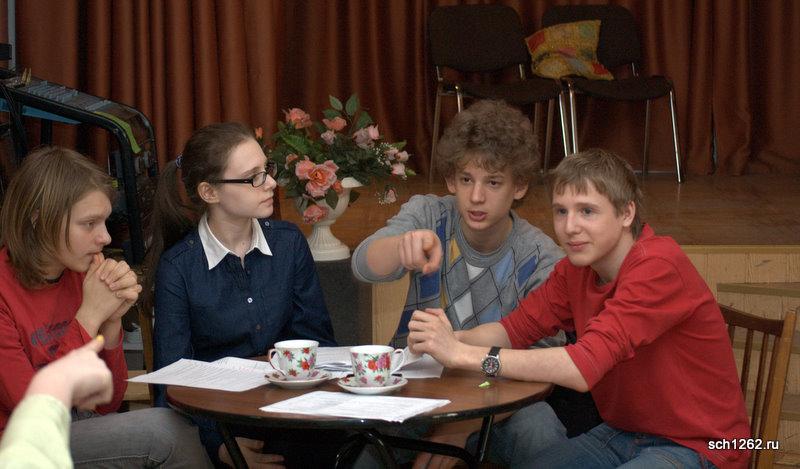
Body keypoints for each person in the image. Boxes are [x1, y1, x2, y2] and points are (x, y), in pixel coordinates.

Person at [408, 149, 751, 468]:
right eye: (561, 211)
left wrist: (463, 355)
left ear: (626, 213)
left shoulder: (657, 265)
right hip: (623, 432)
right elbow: (512, 330)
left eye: (587, 211)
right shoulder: (576, 269)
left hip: (702, 445)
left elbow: (581, 369)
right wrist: (445, 339)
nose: (570, 227)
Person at [351, 100, 568, 467]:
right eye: (466, 180)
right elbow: (363, 265)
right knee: (364, 454)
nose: (476, 197)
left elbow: (543, 368)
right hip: (414, 392)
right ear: (451, 180)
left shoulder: (542, 258)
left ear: (519, 186)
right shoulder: (429, 214)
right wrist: (400, 248)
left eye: (493, 182)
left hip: (497, 402)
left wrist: (459, 427)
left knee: (540, 429)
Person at [0, 146, 211, 468]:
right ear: (38, 219)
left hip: (72, 428)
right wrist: (89, 317)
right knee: (166, 431)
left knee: (172, 427)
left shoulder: (79, 274)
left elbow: (107, 404)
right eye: (89, 224)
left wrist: (111, 324)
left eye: (104, 222)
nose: (105, 237)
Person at [146, 122, 337, 468]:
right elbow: (171, 383)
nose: (272, 183)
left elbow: (318, 342)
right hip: (218, 423)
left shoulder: (289, 242)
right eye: (253, 178)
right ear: (209, 192)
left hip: (288, 411)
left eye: (268, 170)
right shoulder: (178, 267)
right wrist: (220, 447)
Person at [0, 336, 112, 468]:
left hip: (68, 419)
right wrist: (58, 380)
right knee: (136, 432)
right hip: (26, 438)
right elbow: (36, 422)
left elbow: (108, 403)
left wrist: (112, 330)